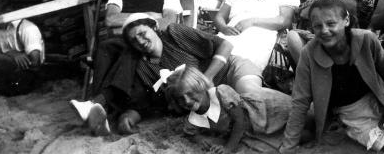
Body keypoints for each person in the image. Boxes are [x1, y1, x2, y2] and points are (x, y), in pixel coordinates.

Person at [280, 0, 384, 153]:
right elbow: (300, 102)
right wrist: (288, 147)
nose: (324, 31)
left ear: (346, 20)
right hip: (354, 116)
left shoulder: (366, 39)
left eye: (331, 23)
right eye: (318, 26)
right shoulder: (309, 55)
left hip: (381, 96)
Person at [70, 13, 263, 136]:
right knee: (243, 123)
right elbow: (153, 102)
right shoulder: (144, 68)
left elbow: (226, 44)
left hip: (229, 70)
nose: (141, 40)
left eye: (142, 33)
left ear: (153, 27)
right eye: (134, 40)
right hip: (210, 100)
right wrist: (131, 116)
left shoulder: (174, 34)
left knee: (252, 99)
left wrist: (208, 77)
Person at [164, 65, 291, 153]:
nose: (186, 101)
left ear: (201, 86)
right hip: (251, 132)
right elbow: (191, 134)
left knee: (295, 119)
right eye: (180, 98)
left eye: (190, 93)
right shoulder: (193, 120)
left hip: (262, 112)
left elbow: (240, 122)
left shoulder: (221, 93)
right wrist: (202, 139)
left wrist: (229, 148)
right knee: (291, 138)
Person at [0, 2, 45, 105]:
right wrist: (11, 53)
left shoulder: (27, 28)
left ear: (5, 12)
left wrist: (7, 57)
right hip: (10, 76)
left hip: (28, 77)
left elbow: (35, 61)